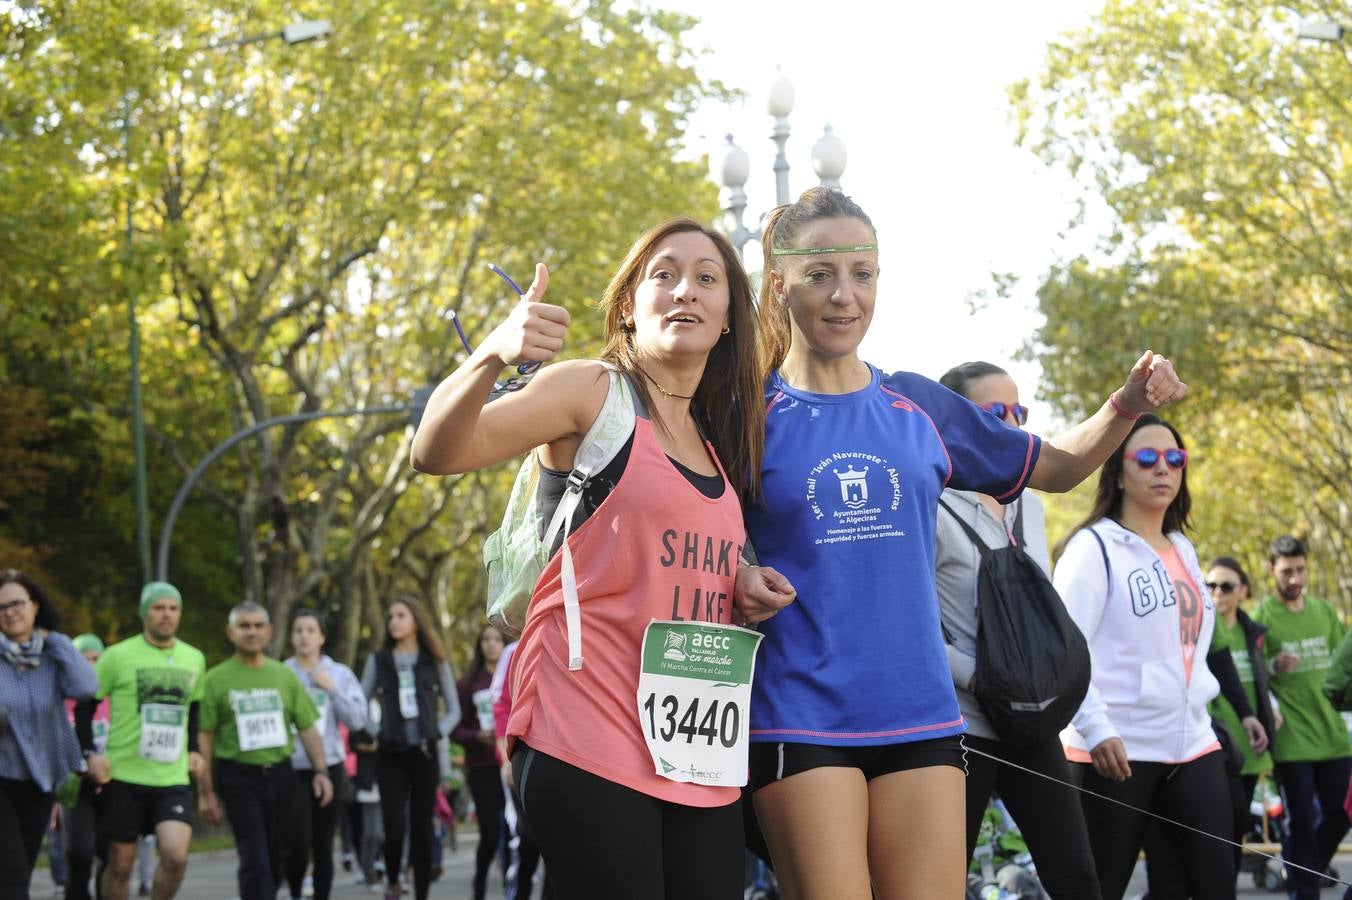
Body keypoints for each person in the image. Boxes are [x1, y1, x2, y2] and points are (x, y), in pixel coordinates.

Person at [734, 187, 1187, 900]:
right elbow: (691, 526)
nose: (845, 294)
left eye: (863, 272)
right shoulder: (744, 416)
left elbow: (1060, 468)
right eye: (820, 274)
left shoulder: (918, 404)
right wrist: (738, 570)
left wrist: (1126, 406)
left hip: (924, 715)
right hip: (800, 714)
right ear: (778, 282)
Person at [410, 217, 765, 899]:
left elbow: (676, 565)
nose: (684, 289)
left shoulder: (718, 439)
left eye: (706, 278)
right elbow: (437, 453)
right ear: (630, 307)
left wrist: (745, 585)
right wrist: (490, 354)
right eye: (663, 274)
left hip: (698, 751)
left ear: (727, 318)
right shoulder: (591, 393)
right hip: (587, 730)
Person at [1052, 414, 1244, 899]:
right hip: (1115, 747)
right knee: (1100, 887)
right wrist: (1095, 727)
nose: (1164, 468)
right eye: (1147, 458)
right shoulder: (1091, 549)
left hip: (1191, 742)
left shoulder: (1184, 547)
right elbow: (1063, 651)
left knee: (1215, 881)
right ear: (1118, 471)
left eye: (1174, 458)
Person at [933, 361, 1101, 899]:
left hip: (1032, 719)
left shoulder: (1027, 498)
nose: (1010, 423)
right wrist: (976, 678)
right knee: (938, 883)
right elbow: (910, 624)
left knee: (1076, 876)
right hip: (963, 724)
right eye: (994, 412)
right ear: (954, 421)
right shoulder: (928, 502)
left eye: (1019, 411)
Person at [1141, 555, 1283, 896]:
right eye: (1211, 585)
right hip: (1152, 741)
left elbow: (1229, 665)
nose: (1217, 592)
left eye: (1226, 585)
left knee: (1232, 823)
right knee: (1163, 846)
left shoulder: (1237, 624)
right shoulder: (1131, 576)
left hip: (1216, 744)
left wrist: (1252, 714)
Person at [196, 601, 333, 900]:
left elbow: (308, 728)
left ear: (269, 632)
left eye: (258, 626)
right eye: (244, 626)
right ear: (230, 633)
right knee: (255, 858)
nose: (252, 632)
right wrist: (206, 792)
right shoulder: (215, 679)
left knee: (288, 852)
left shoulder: (283, 676)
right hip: (238, 777)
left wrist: (321, 771)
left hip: (282, 774)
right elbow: (204, 738)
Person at [80, 582, 206, 900]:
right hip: (123, 775)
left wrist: (193, 749)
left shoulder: (194, 658)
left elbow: (193, 709)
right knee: (121, 865)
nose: (166, 615)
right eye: (158, 608)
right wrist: (90, 754)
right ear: (144, 613)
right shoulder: (116, 656)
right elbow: (85, 707)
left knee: (176, 856)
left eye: (173, 608)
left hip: (172, 775)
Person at [1254, 535, 1352, 900]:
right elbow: (1249, 669)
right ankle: (1303, 890)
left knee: (1342, 814)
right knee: (1303, 823)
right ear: (1271, 571)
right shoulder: (1262, 616)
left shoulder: (1324, 612)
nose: (1294, 579)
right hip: (1292, 738)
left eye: (1300, 570)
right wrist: (1270, 666)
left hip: (1333, 734)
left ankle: (1300, 866)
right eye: (1286, 572)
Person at [0, 569, 97, 899]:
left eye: (17, 603)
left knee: (20, 872)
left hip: (40, 778)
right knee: (12, 879)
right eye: (1, 607)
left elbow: (86, 687)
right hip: (1, 776)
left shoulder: (53, 654)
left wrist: (55, 639)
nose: (10, 612)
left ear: (35, 605)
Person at [359, 597, 458, 900]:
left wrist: (434, 734)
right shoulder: (379, 660)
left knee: (422, 828)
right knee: (394, 826)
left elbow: (453, 710)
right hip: (390, 754)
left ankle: (422, 891)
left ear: (416, 620)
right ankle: (392, 880)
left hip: (424, 754)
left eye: (400, 615)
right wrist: (380, 733)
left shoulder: (435, 659)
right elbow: (359, 705)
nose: (393, 621)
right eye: (390, 616)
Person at [283, 609, 367, 900]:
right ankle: (295, 891)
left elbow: (358, 720)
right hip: (292, 766)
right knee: (297, 842)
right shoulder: (283, 673)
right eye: (298, 630)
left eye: (310, 630)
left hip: (330, 766)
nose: (304, 636)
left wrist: (332, 690)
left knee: (322, 843)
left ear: (321, 637)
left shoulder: (339, 674)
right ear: (291, 636)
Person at [452, 623, 507, 900]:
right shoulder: (467, 683)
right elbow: (456, 728)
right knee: (488, 835)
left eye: (497, 638)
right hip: (482, 766)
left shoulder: (515, 675)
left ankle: (513, 886)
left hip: (511, 764)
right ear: (479, 644)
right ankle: (480, 884)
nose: (491, 644)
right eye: (486, 638)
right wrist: (477, 737)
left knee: (514, 831)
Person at [60, 633, 109, 900]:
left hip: (111, 784)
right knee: (79, 852)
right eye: (84, 659)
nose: (91, 664)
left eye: (96, 659)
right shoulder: (62, 698)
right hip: (75, 785)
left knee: (110, 854)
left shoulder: (110, 697)